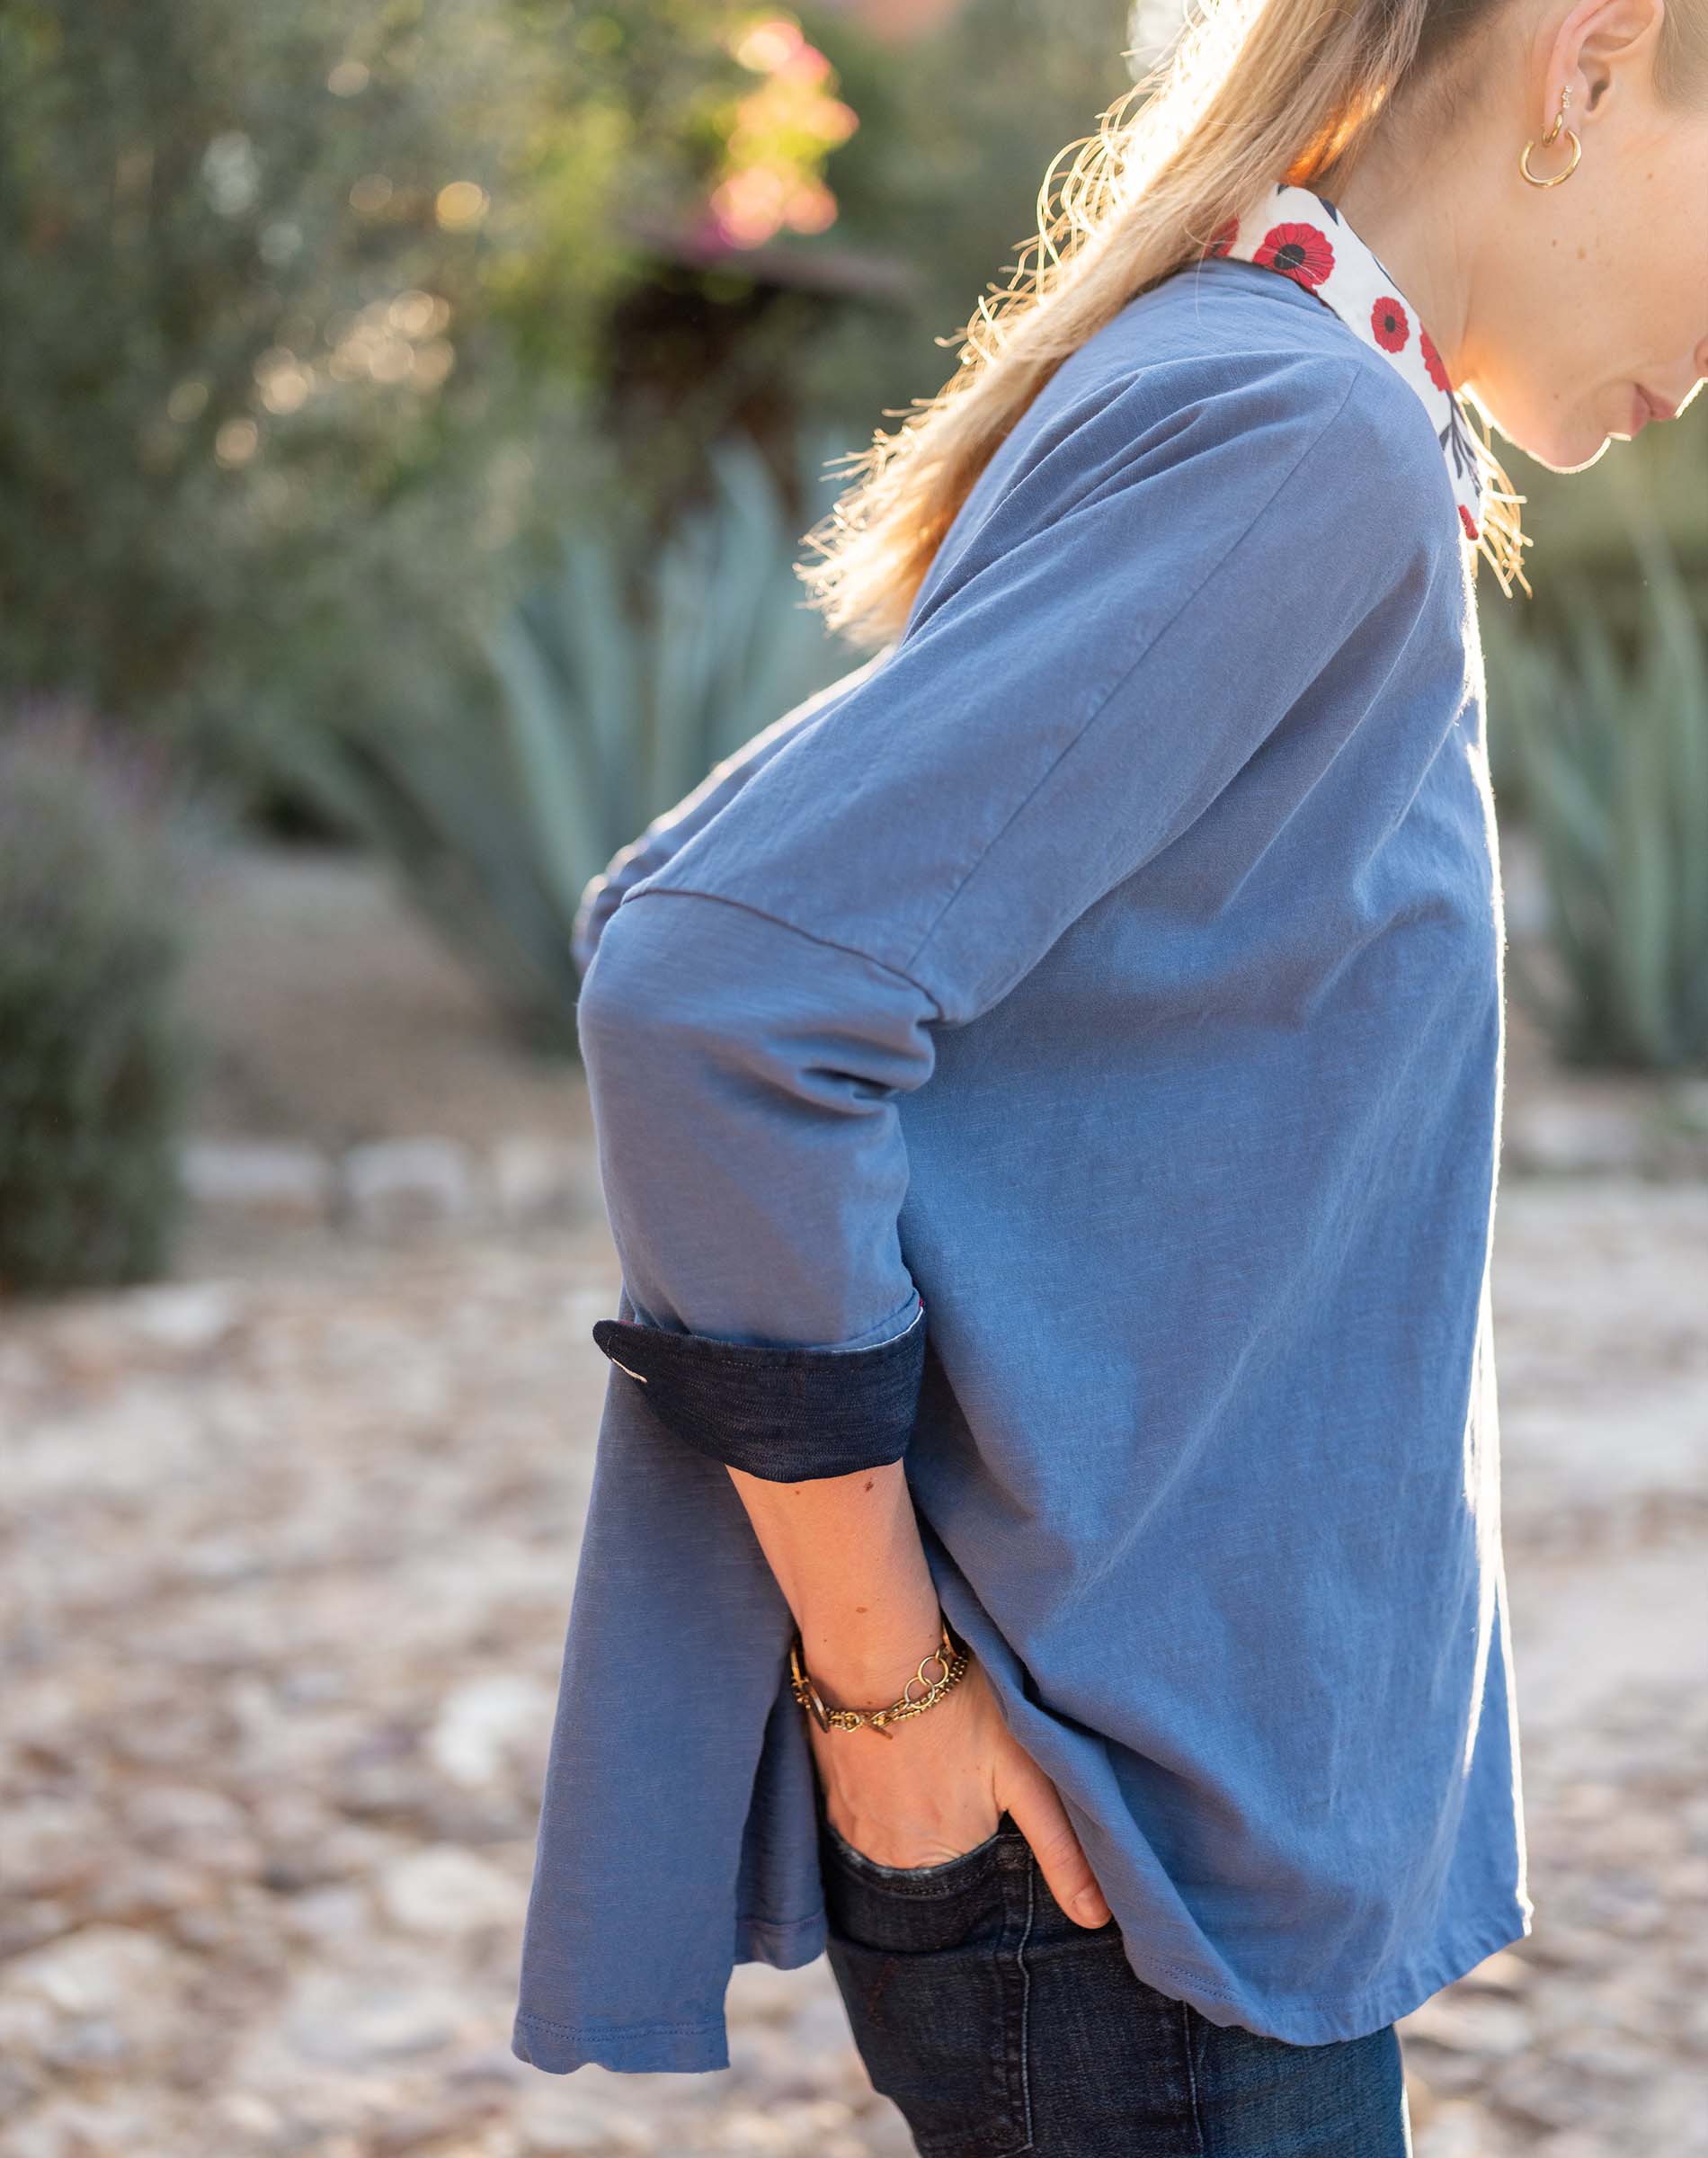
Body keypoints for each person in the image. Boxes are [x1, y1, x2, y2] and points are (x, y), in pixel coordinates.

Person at [511, 0, 1708, 2145]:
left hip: (1171, 1860)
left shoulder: (1266, 386)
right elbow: (713, 997)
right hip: (1133, 1898)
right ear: (1591, 58)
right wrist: (886, 1707)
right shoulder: (1294, 437)